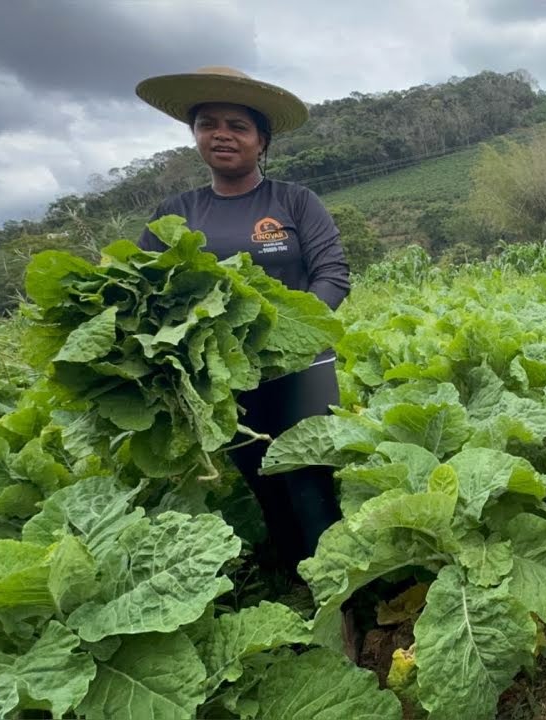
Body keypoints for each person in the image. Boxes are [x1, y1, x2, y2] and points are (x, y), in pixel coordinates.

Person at [134, 66, 350, 573]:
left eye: (237, 125)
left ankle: (342, 597)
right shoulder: (177, 213)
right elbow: (145, 293)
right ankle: (296, 590)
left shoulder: (294, 202)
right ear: (195, 135)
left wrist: (283, 338)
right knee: (262, 484)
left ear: (262, 141)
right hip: (221, 378)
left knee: (309, 480)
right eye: (208, 124)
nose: (222, 135)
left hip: (301, 369)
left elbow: (332, 277)